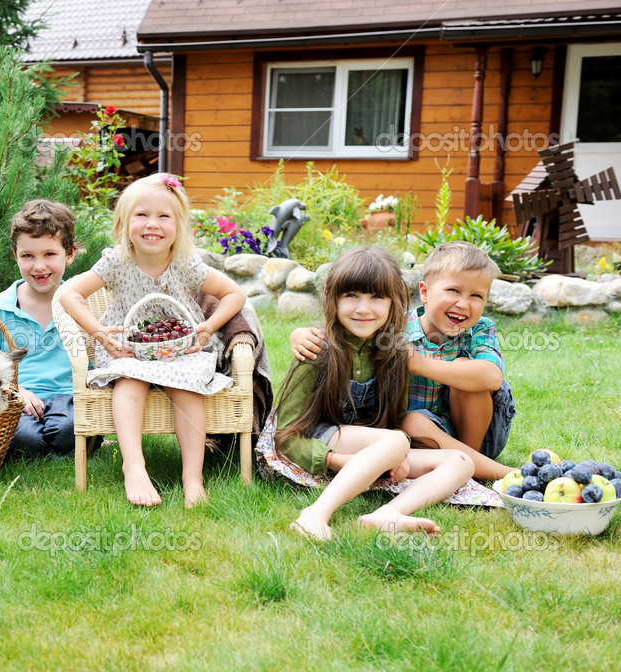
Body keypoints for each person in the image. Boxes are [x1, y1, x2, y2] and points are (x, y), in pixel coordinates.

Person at [59, 173, 246, 508]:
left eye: (164, 216)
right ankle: (134, 466)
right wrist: (98, 332)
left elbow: (234, 294)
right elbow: (69, 294)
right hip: (127, 349)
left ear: (179, 226)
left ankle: (192, 477)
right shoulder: (116, 262)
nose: (152, 224)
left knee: (189, 389)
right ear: (123, 222)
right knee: (130, 381)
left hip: (179, 350)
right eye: (141, 215)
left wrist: (207, 328)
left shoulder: (186, 265)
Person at [271, 246, 474, 541]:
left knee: (459, 462)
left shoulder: (395, 354)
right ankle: (315, 514)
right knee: (396, 440)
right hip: (324, 438)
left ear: (394, 303)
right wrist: (336, 461)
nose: (363, 308)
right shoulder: (316, 349)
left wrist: (395, 455)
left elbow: (390, 421)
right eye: (351, 295)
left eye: (376, 297)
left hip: (373, 447)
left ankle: (387, 514)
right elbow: (286, 436)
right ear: (333, 299)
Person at [291, 241, 515, 480]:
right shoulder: (396, 328)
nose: (463, 303)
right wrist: (301, 334)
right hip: (419, 438)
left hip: (479, 438)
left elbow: (492, 377)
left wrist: (420, 364)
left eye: (476, 296)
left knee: (467, 372)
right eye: (453, 291)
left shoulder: (480, 329)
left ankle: (475, 466)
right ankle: (496, 472)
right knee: (413, 421)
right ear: (425, 292)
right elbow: (354, 332)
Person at [0, 199, 78, 458]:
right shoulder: (0, 308)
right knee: (25, 437)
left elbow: (99, 366)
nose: (39, 266)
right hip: (17, 397)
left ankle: (68, 443)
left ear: (69, 254)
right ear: (15, 255)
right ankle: (41, 449)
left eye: (50, 254)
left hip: (68, 397)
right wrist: (15, 389)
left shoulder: (79, 305)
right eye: (28, 255)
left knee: (66, 428)